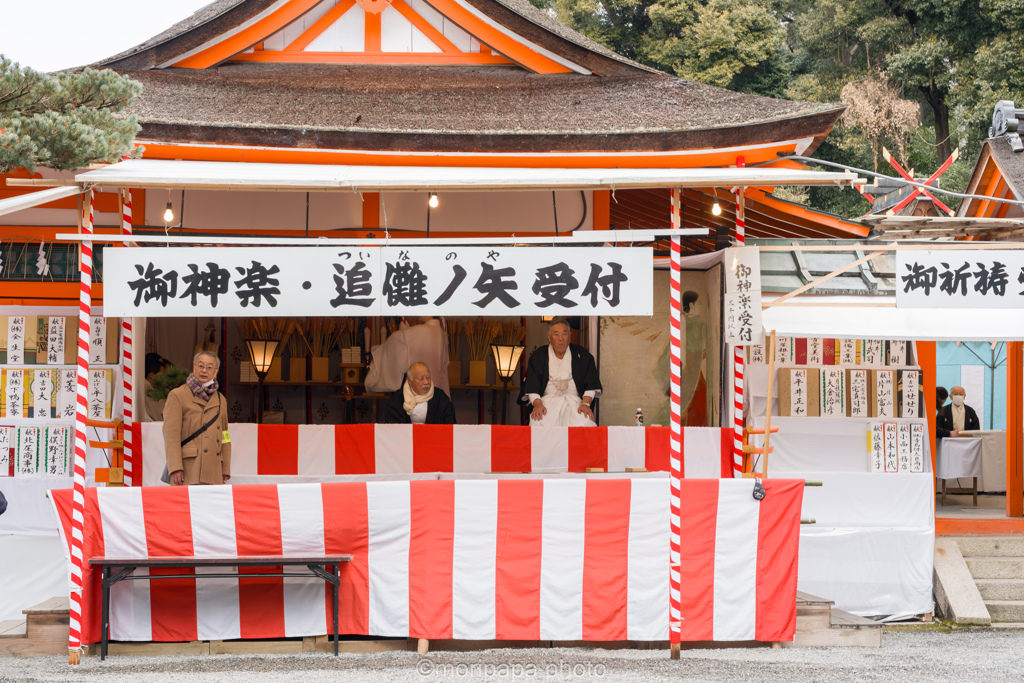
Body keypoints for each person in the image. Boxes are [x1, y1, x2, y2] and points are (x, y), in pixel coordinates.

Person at [163, 351, 231, 486]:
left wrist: (225, 468)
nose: (204, 370)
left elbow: (225, 435)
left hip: (214, 469)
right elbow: (171, 436)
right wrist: (175, 467)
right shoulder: (177, 395)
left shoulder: (221, 399)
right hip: (188, 468)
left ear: (216, 372)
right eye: (200, 366)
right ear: (194, 368)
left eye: (209, 367)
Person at [517, 317, 602, 427]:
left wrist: (585, 404)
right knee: (538, 421)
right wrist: (538, 405)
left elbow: (591, 383)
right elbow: (532, 385)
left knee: (585, 422)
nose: (560, 338)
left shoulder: (582, 355)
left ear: (570, 336)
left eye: (564, 334)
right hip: (546, 403)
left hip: (575, 403)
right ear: (549, 337)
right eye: (556, 334)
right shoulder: (539, 356)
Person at [366, 316, 450, 395]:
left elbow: (396, 340)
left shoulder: (422, 331)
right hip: (436, 389)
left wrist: (403, 332)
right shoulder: (438, 330)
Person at [385, 362, 456, 424]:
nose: (426, 382)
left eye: (428, 378)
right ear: (410, 381)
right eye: (421, 379)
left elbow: (450, 422)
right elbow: (393, 427)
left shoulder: (440, 397)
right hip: (406, 438)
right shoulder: (398, 398)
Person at [144, 353, 170, 421]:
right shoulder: (146, 390)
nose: (165, 379)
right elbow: (160, 415)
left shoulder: (157, 389)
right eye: (163, 375)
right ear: (151, 375)